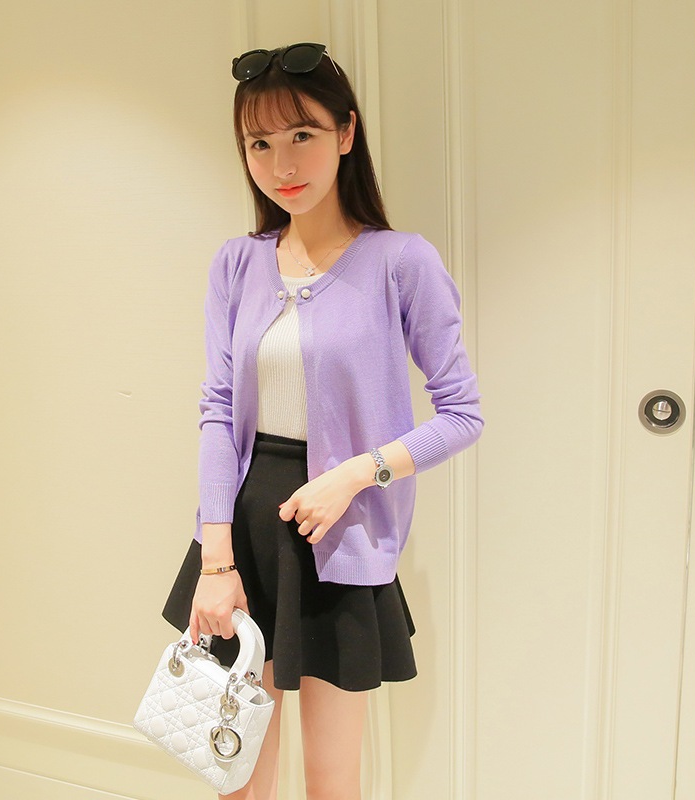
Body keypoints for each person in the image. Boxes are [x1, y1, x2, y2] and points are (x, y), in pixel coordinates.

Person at [162, 42, 483, 800]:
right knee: (236, 772)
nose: (282, 164)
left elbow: (462, 413)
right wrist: (216, 560)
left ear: (346, 132)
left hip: (341, 532)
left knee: (333, 780)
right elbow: (217, 411)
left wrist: (354, 475)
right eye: (259, 143)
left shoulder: (402, 262)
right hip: (243, 533)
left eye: (302, 134)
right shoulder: (237, 263)